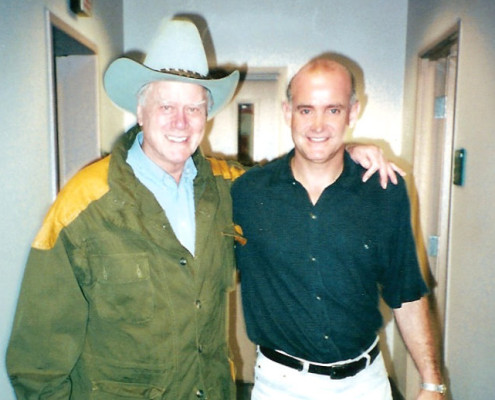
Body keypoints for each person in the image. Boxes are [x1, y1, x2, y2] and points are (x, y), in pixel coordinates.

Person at [7, 18, 400, 400]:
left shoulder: (229, 188)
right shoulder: (82, 204)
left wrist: (346, 152)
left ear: (206, 116)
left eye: (194, 108)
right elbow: (38, 359)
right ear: (140, 112)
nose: (181, 122)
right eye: (166, 107)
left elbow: (293, 180)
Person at [232, 56, 446, 399]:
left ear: (352, 112)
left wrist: (431, 382)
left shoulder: (384, 190)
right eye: (306, 110)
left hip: (365, 385)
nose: (318, 125)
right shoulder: (246, 192)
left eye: (332, 110)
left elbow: (405, 291)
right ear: (288, 112)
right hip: (280, 387)